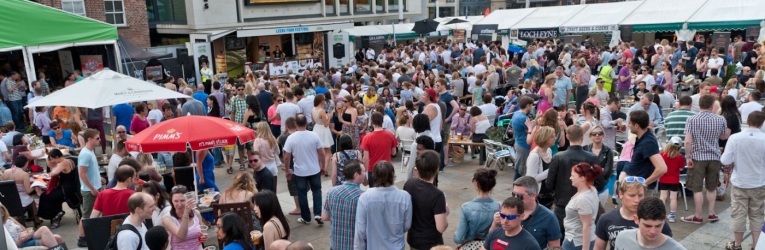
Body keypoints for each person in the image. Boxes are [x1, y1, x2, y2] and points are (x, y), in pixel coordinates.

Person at [681, 95, 730, 224]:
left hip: (697, 157)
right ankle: (711, 213)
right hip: (714, 156)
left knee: (697, 188)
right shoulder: (720, 119)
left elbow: (687, 141)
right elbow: (724, 136)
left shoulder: (692, 119)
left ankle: (698, 215)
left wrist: (688, 157)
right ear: (712, 105)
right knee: (711, 187)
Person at [546, 125, 600, 239]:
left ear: (567, 136)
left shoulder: (558, 157)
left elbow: (549, 183)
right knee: (582, 236)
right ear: (582, 137)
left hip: (562, 203)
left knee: (559, 237)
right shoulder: (592, 157)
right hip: (585, 203)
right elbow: (599, 183)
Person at [721, 111, 765, 250]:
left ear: (747, 120)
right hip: (759, 182)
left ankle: (737, 245)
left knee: (738, 213)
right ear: (762, 123)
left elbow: (725, 160)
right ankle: (756, 246)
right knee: (757, 215)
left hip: (740, 181)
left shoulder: (735, 138)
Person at [595, 177, 672, 250]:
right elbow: (598, 248)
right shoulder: (606, 219)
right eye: (632, 195)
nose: (637, 200)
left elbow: (668, 246)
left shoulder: (656, 223)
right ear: (621, 194)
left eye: (640, 195)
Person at [354, 159, 412, 249]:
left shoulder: (365, 198)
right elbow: (406, 225)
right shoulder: (405, 197)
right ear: (392, 175)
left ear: (374, 175)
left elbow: (360, 231)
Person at [283, 114, 325, 225]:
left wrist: (287, 170)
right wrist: (323, 166)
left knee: (302, 194)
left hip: (299, 171)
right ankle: (318, 213)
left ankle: (306, 217)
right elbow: (321, 153)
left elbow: (287, 156)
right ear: (306, 123)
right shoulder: (314, 135)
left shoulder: (291, 138)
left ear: (296, 124)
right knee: (316, 190)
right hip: (314, 169)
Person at [405, 150, 449, 249]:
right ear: (437, 168)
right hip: (431, 243)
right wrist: (445, 213)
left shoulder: (409, 184)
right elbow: (441, 227)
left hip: (413, 239)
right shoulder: (437, 195)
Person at [321, 159, 365, 250]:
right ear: (356, 175)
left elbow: (324, 217)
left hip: (335, 244)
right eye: (364, 171)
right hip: (354, 245)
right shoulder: (363, 197)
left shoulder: (332, 192)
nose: (365, 173)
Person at [613, 197, 685, 250]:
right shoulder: (622, 238)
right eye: (647, 226)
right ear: (636, 219)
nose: (652, 231)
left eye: (658, 226)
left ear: (664, 221)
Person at [623, 111, 667, 193]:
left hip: (641, 190)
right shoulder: (643, 139)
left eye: (629, 123)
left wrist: (643, 184)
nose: (628, 125)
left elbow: (662, 168)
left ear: (636, 126)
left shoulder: (647, 143)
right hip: (635, 186)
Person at [453, 168, 499, 246]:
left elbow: (459, 238)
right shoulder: (499, 207)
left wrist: (455, 235)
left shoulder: (466, 208)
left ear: (476, 184)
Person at [562, 162, 603, 250]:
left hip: (575, 242)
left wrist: (585, 248)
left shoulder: (583, 199)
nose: (570, 178)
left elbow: (586, 225)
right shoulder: (592, 189)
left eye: (573, 176)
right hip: (576, 239)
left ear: (582, 178)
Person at [37, 149, 79, 229]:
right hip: (70, 188)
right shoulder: (69, 160)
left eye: (52, 159)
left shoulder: (62, 163)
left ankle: (57, 213)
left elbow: (53, 173)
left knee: (45, 196)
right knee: (49, 194)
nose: (52, 161)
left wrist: (43, 175)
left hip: (66, 190)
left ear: (57, 157)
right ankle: (57, 213)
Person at [77, 128, 102, 247]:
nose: (99, 140)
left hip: (94, 187)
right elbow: (82, 173)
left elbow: (91, 171)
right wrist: (92, 188)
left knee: (93, 214)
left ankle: (88, 234)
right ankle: (81, 238)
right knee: (86, 215)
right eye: (97, 138)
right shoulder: (86, 154)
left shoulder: (90, 151)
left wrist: (99, 178)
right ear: (89, 139)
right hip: (89, 190)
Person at [163, 185, 206, 250]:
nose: (179, 204)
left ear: (188, 200)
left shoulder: (196, 214)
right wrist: (186, 214)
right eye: (176, 201)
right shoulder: (167, 218)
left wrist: (204, 236)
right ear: (171, 201)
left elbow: (202, 232)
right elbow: (181, 236)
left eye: (182, 200)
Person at [361, 112, 398, 187]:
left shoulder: (367, 138)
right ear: (382, 121)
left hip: (373, 169)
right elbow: (394, 153)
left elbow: (365, 158)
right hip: (387, 167)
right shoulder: (390, 135)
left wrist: (364, 175)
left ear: (372, 122)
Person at [659, 137, 686, 223]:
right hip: (674, 180)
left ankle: (661, 215)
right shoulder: (680, 157)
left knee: (663, 197)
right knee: (673, 198)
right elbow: (681, 168)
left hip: (663, 179)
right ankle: (672, 216)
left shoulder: (662, 154)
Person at [512, 96, 535, 179]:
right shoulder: (524, 118)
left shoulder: (516, 113)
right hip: (524, 145)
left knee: (519, 166)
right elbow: (530, 132)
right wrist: (531, 127)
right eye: (531, 105)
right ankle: (516, 186)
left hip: (518, 142)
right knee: (520, 168)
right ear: (528, 105)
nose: (532, 107)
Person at [311, 94, 334, 173]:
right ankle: (325, 168)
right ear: (321, 101)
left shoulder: (313, 109)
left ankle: (317, 167)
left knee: (318, 150)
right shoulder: (322, 111)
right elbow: (326, 124)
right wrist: (330, 117)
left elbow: (313, 121)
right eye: (324, 99)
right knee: (327, 150)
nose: (325, 100)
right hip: (323, 130)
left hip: (316, 128)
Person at [253, 122, 279, 190]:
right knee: (273, 191)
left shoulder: (258, 140)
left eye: (257, 128)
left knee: (261, 191)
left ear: (260, 129)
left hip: (262, 167)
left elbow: (256, 155)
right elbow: (278, 152)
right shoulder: (273, 139)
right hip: (273, 166)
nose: (256, 130)